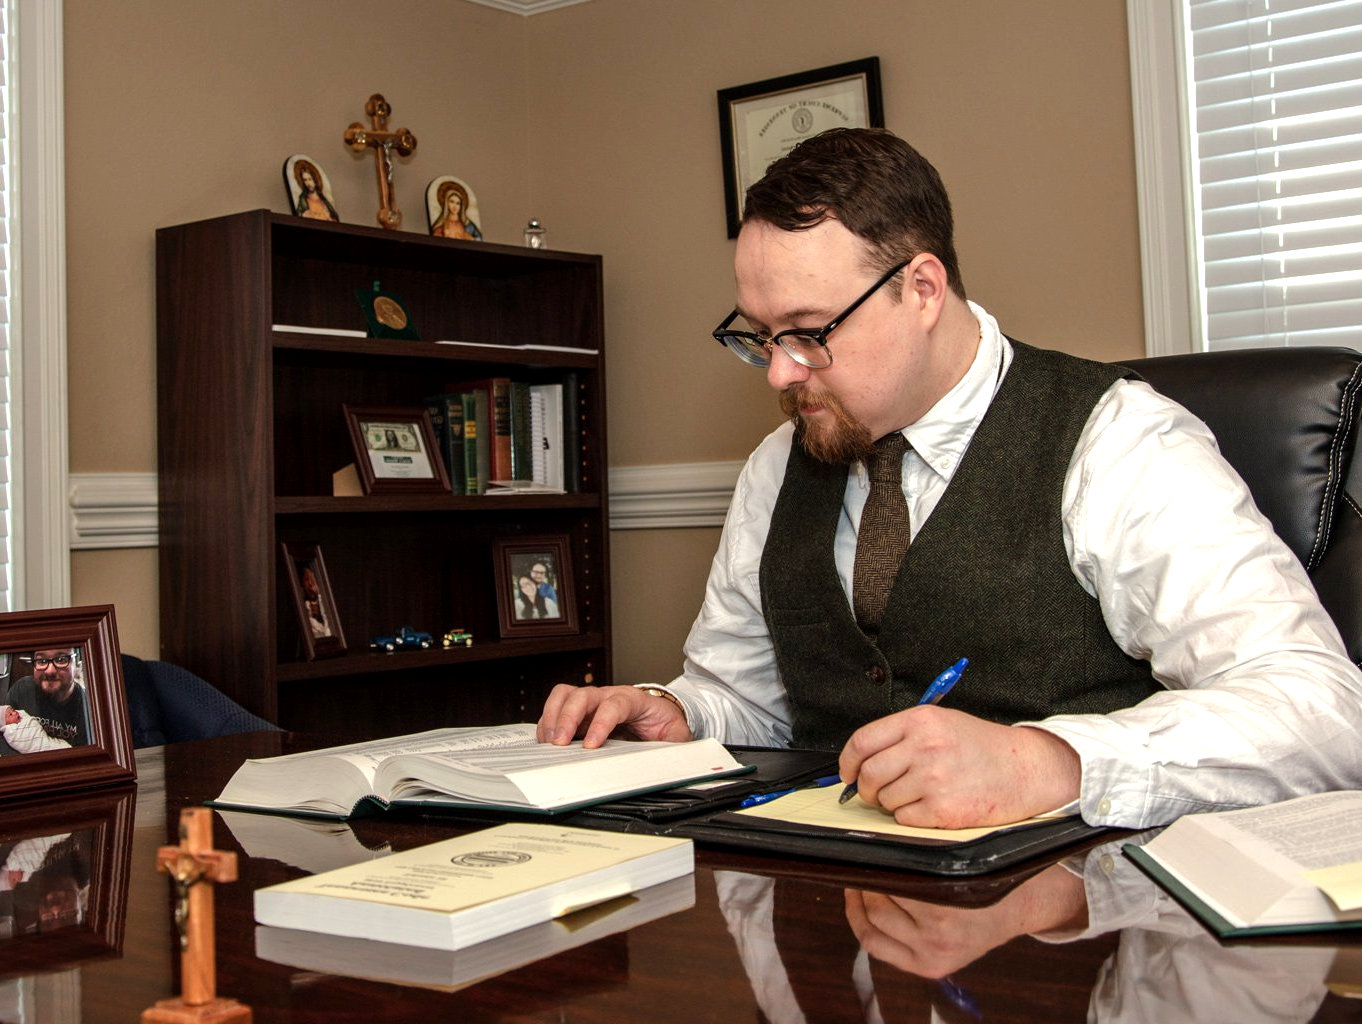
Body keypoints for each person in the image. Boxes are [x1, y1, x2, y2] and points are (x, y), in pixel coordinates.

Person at [537, 127, 1362, 831]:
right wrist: (680, 713)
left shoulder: (1118, 440)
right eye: (759, 335)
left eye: (806, 333)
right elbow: (753, 704)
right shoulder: (775, 469)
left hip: (1076, 930)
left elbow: (1320, 712)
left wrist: (1046, 760)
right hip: (833, 915)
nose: (780, 377)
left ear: (922, 288)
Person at [7, 648, 90, 747]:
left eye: (61, 660)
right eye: (41, 661)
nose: (50, 671)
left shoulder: (90, 710)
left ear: (78, 666)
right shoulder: (20, 691)